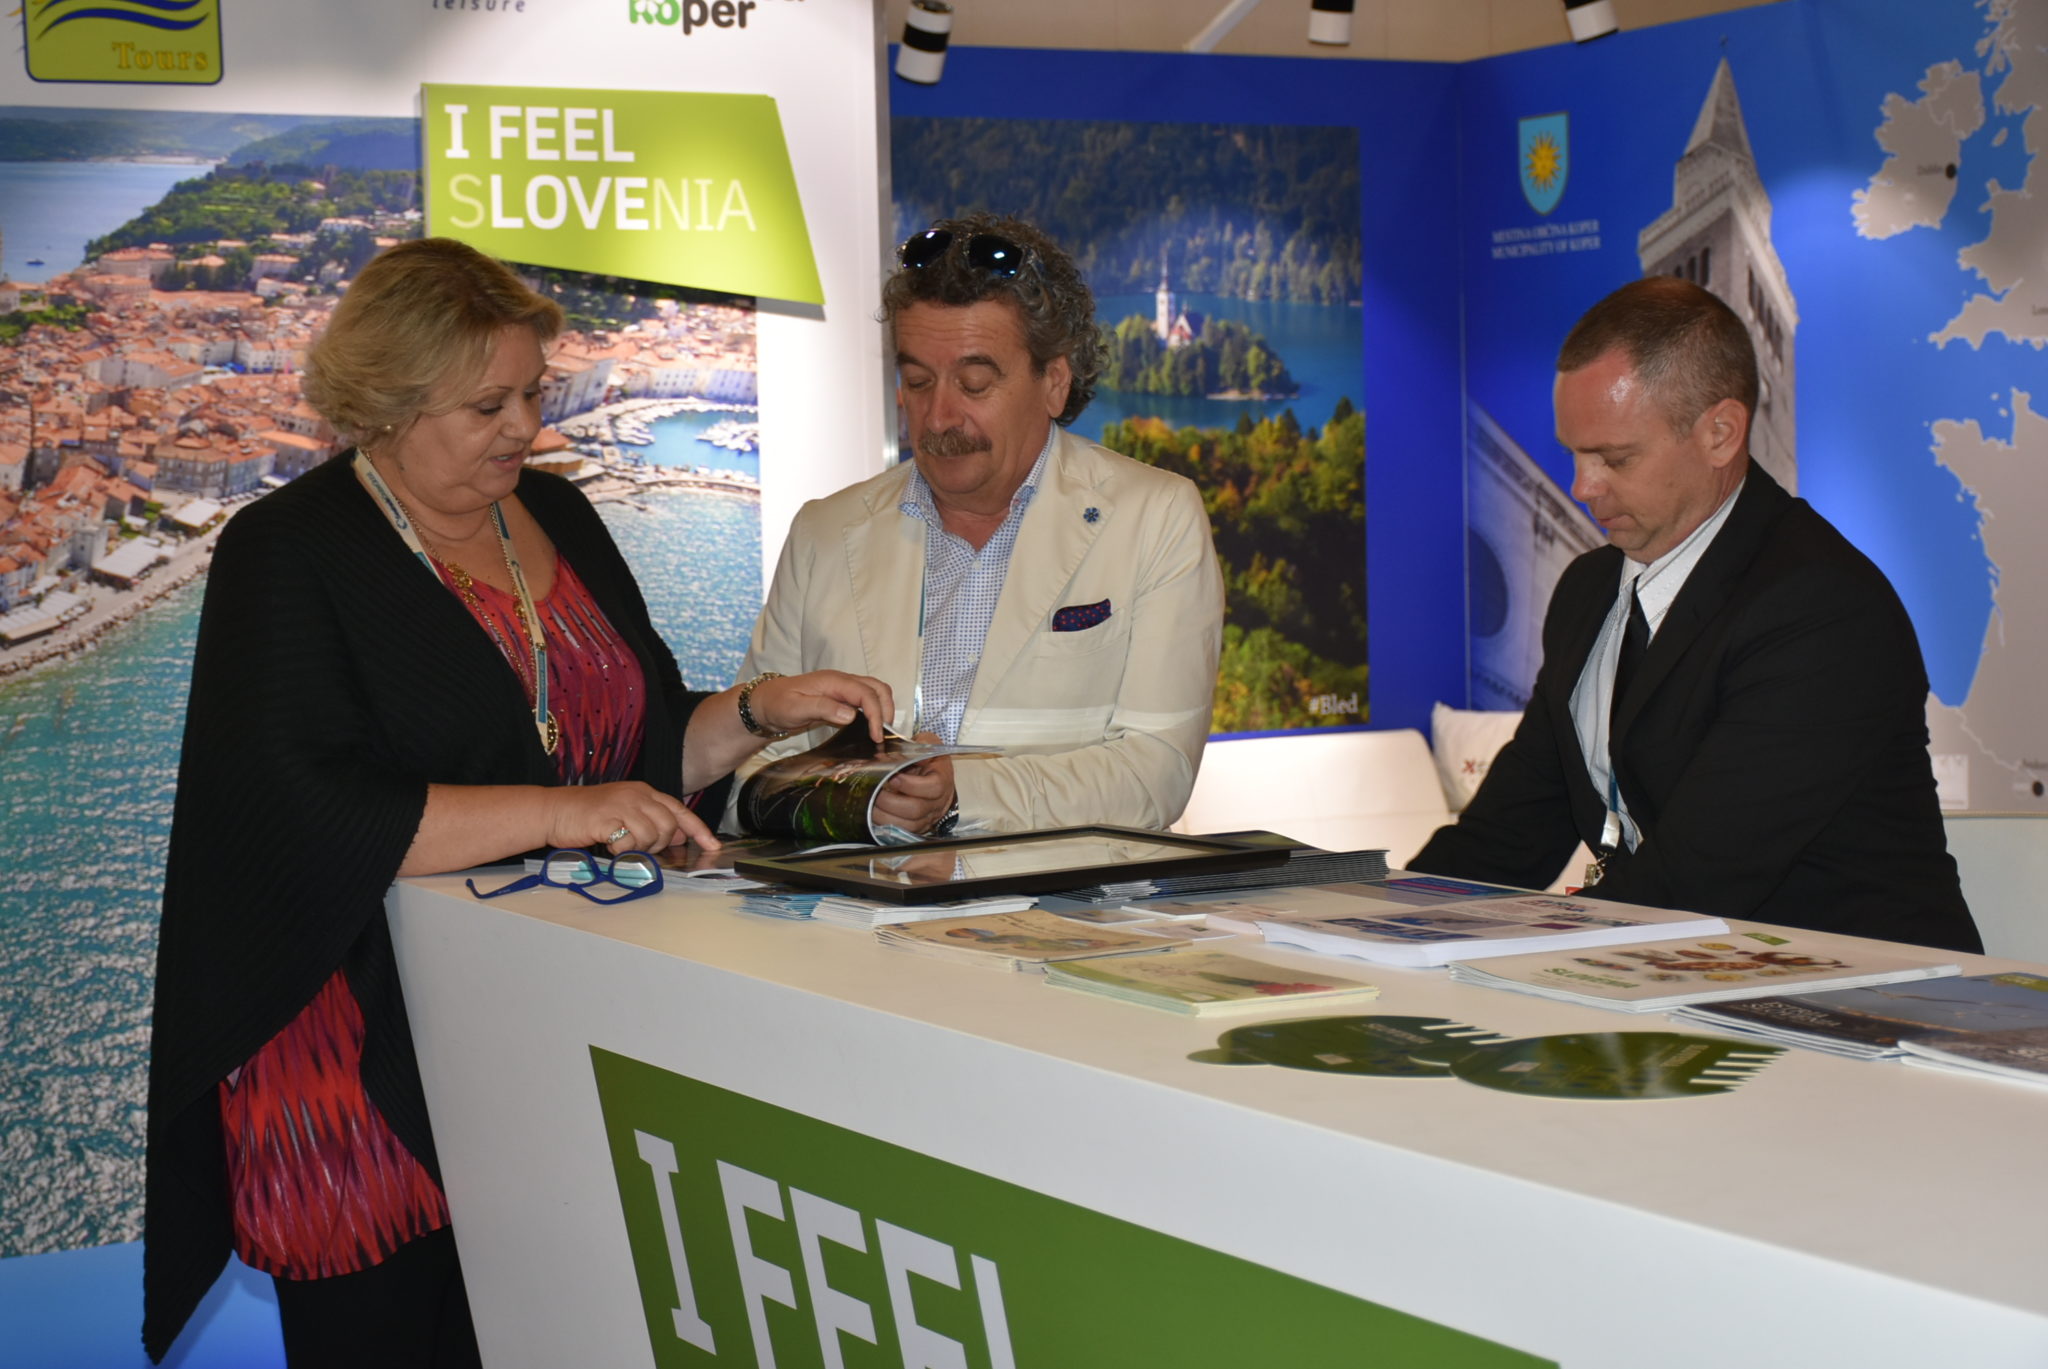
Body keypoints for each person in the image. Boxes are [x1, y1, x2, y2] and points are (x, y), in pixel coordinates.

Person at [142, 238, 892, 1365]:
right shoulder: (286, 549)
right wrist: (560, 811)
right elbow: (304, 813)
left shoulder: (561, 513)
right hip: (357, 1058)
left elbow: (641, 748)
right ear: (387, 404)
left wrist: (759, 709)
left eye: (533, 392)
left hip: (546, 1026)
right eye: (486, 405)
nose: (526, 427)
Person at [1411, 277, 1979, 954]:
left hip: (1861, 997)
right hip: (1683, 976)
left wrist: (1541, 939)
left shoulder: (1825, 608)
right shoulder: (1588, 592)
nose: (1583, 486)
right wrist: (1373, 918)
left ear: (1720, 433)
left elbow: (1697, 876)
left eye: (1615, 458)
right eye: (1573, 454)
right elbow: (1509, 833)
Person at [729, 212, 1224, 837]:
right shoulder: (824, 531)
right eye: (917, 381)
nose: (939, 416)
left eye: (974, 383)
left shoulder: (1154, 516)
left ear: (1054, 383)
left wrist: (960, 794)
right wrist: (849, 802)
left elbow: (1157, 770)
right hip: (854, 895)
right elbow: (748, 767)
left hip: (1071, 898)